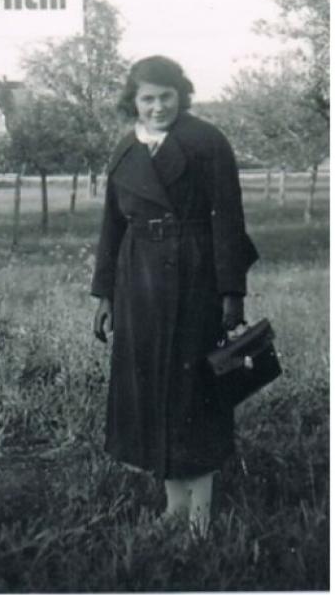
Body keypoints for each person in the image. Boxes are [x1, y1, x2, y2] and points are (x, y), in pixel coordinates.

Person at [91, 56, 258, 534]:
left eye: (167, 95)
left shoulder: (207, 142)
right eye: (148, 97)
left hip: (194, 275)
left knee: (192, 391)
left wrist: (232, 293)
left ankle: (200, 514)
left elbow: (228, 219)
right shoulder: (125, 150)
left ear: (181, 94)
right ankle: (173, 505)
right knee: (150, 389)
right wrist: (105, 295)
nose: (158, 106)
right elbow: (110, 226)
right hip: (137, 280)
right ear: (134, 101)